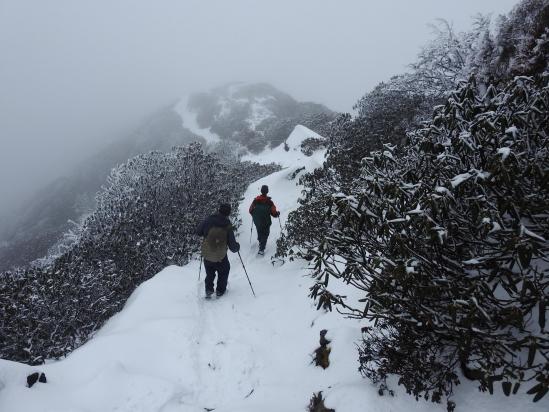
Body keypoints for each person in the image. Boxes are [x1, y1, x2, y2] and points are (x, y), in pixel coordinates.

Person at [196, 203, 240, 298]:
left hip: (207, 254)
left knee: (210, 272)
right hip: (221, 256)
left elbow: (198, 231)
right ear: (228, 213)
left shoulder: (209, 219)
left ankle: (209, 289)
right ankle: (220, 290)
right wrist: (237, 247)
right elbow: (233, 247)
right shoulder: (227, 225)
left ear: (219, 210)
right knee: (224, 270)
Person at [249, 185, 280, 255]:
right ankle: (261, 249)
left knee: (259, 231)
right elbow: (274, 213)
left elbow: (250, 210)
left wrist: (255, 216)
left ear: (261, 191)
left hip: (257, 221)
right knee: (265, 234)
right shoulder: (269, 202)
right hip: (266, 221)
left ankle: (260, 242)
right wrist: (277, 214)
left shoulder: (256, 200)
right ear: (267, 191)